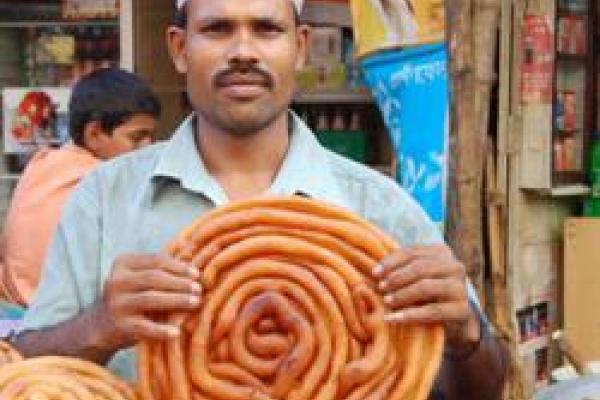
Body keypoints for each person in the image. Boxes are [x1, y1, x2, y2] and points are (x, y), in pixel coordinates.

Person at [12, 1, 507, 399]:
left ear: (300, 47)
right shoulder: (104, 197)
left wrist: (465, 335)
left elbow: (482, 389)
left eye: (267, 29)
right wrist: (99, 325)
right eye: (219, 29)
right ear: (180, 48)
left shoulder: (379, 208)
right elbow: (21, 370)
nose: (243, 50)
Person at [0, 68, 161, 305]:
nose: (148, 148)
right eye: (137, 138)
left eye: (151, 137)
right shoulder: (101, 184)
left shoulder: (42, 164)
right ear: (94, 134)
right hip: (54, 324)